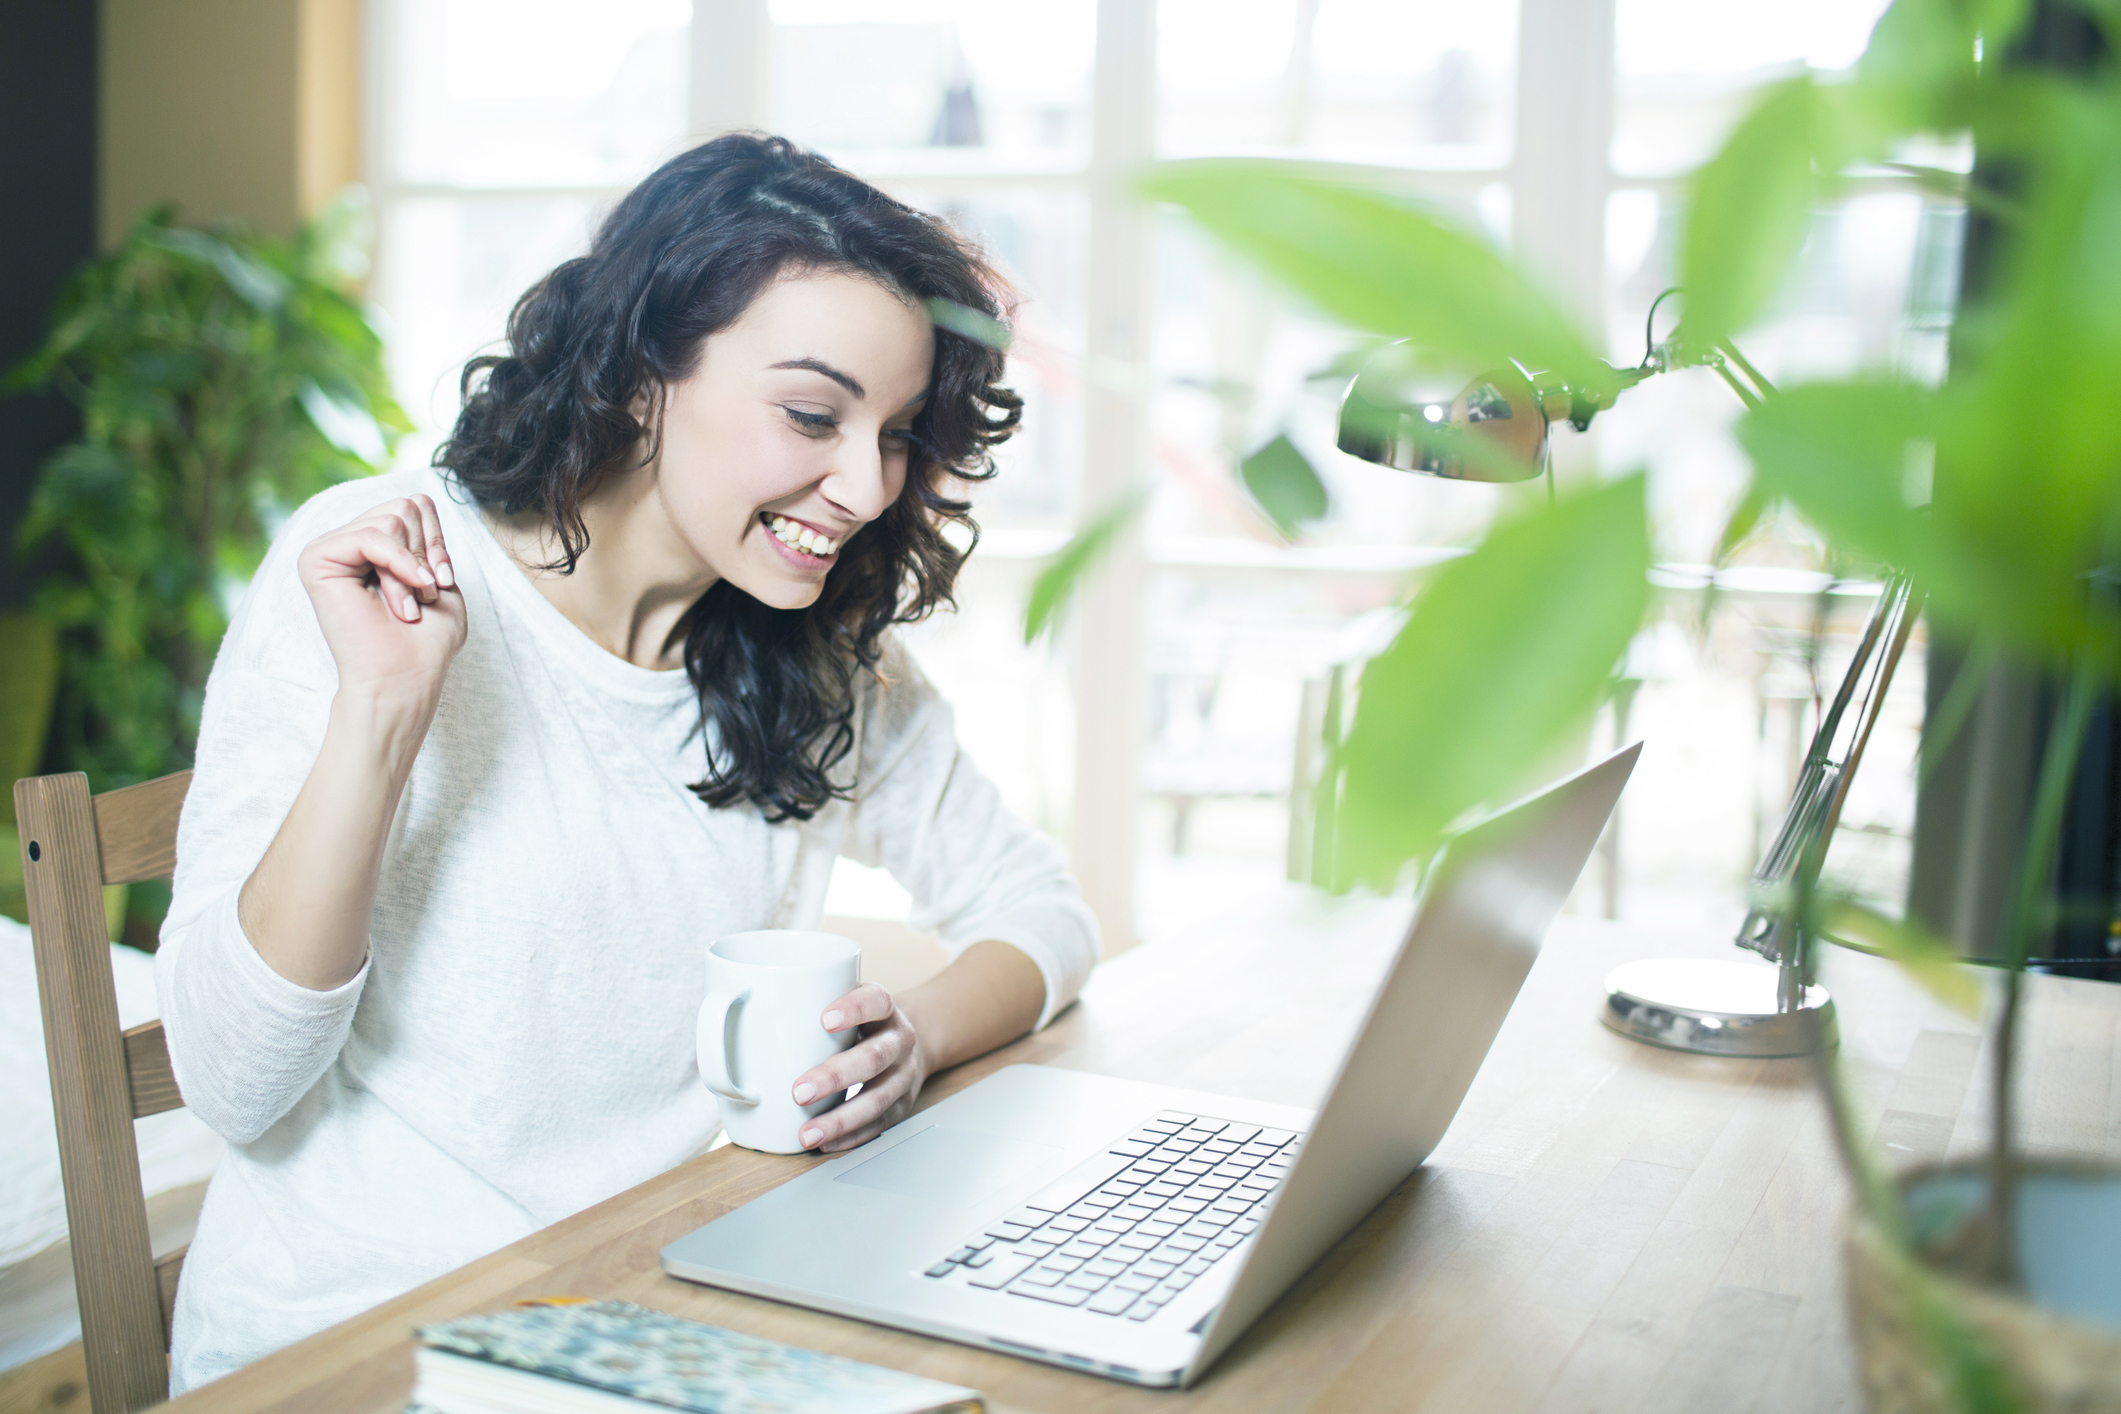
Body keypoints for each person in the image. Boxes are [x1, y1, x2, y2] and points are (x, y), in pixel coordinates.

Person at [154, 133, 1098, 1392]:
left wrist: (915, 1036)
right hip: (350, 1345)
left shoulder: (811, 653)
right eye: (813, 415)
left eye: (896, 432)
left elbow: (1043, 914)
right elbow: (230, 1081)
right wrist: (384, 711)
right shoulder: (384, 566)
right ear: (646, 369)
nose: (868, 487)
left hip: (636, 1319)